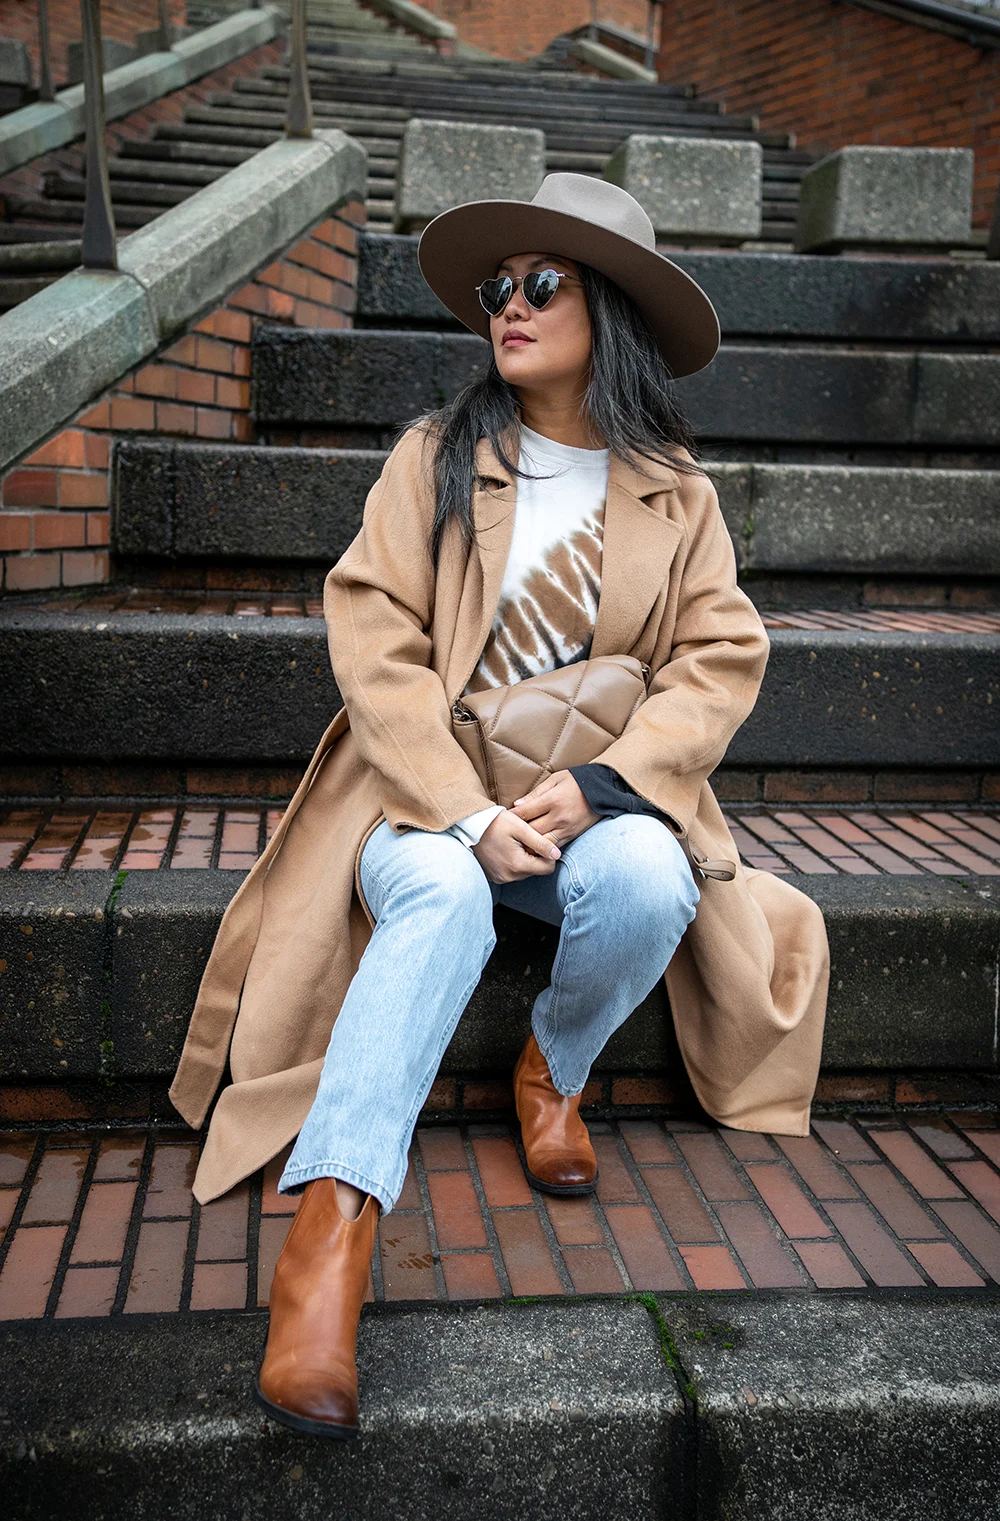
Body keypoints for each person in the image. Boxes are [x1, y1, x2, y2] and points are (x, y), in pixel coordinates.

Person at [168, 174, 830, 1440]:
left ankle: (554, 1069)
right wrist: (472, 817)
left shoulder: (674, 493)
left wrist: (592, 792)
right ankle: (333, 1237)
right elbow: (373, 644)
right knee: (445, 899)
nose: (508, 308)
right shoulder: (435, 457)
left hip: (589, 800)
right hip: (422, 800)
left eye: (543, 285)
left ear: (612, 311)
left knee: (651, 880)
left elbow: (719, 658)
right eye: (497, 288)